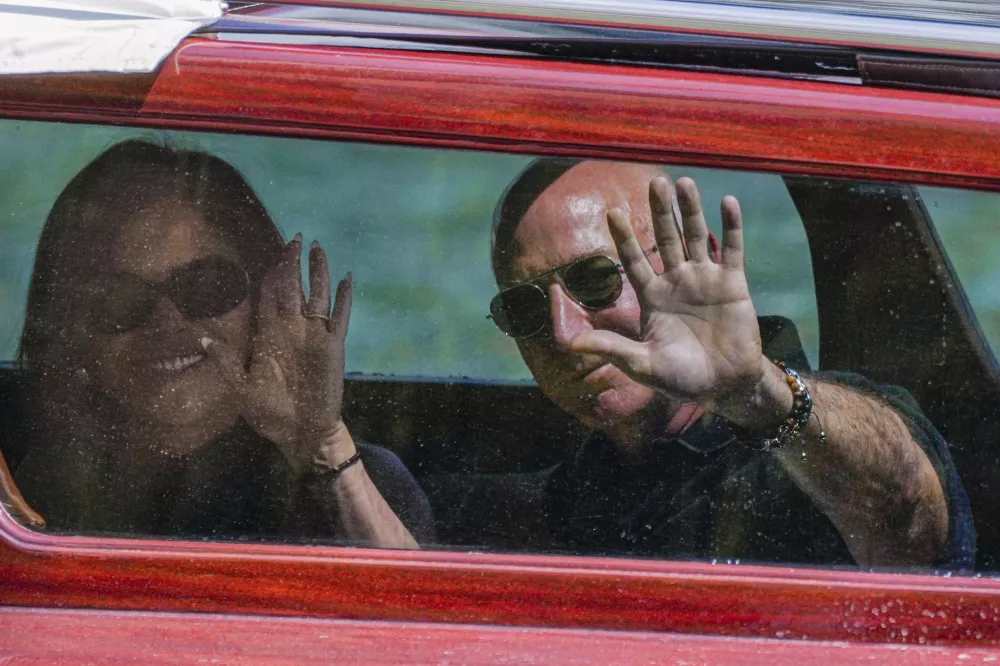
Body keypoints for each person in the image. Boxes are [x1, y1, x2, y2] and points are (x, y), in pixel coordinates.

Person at [435, 158, 974, 569]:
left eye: (595, 280)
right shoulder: (581, 486)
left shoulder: (803, 438)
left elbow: (913, 524)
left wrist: (754, 392)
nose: (563, 331)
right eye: (524, 307)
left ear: (699, 259)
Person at [11, 139, 432, 546]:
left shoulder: (361, 478)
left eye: (206, 287)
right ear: (73, 330)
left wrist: (322, 448)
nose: (168, 321)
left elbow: (419, 614)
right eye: (121, 301)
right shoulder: (31, 493)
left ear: (266, 304)